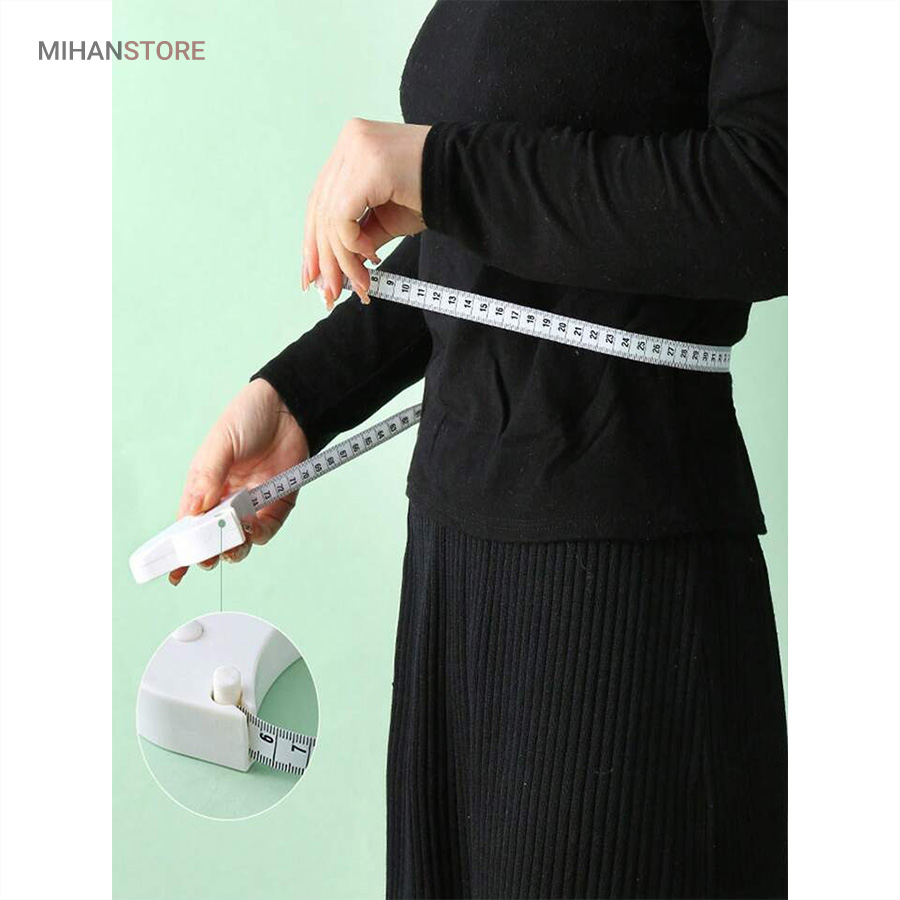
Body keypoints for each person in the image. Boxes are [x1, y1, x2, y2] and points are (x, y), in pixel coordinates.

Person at [171, 2, 787, 897]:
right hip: (454, 568)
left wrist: (443, 168)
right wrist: (301, 396)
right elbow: (483, 256)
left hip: (628, 585)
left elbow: (775, 198)